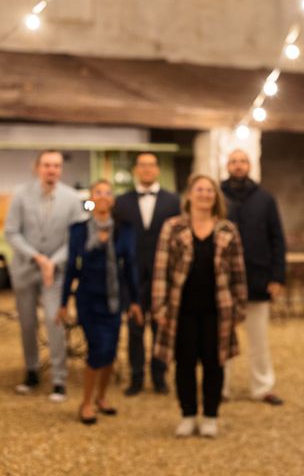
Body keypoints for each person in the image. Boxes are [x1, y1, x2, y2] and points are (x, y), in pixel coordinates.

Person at [152, 174, 247, 437]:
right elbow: (160, 269)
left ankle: (210, 416)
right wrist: (159, 306)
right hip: (181, 309)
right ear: (190, 195)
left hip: (218, 310)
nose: (205, 194)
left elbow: (239, 272)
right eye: (200, 189)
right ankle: (188, 414)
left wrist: (239, 306)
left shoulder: (228, 229)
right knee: (184, 363)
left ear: (215, 197)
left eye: (210, 190)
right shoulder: (172, 227)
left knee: (214, 363)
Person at [58, 180, 143, 424]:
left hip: (114, 301)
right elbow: (72, 268)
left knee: (111, 351)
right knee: (97, 349)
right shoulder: (79, 230)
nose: (103, 196)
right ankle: (86, 403)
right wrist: (63, 302)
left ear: (113, 200)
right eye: (98, 192)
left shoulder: (124, 230)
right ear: (91, 198)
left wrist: (135, 301)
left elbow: (130, 268)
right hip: (89, 299)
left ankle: (101, 397)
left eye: (108, 193)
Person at [4, 150, 85, 402]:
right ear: (37, 167)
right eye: (47, 165)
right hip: (26, 269)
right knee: (27, 322)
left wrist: (53, 261)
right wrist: (37, 258)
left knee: (54, 320)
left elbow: (76, 237)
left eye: (57, 166)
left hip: (56, 272)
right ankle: (31, 371)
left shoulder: (72, 198)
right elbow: (12, 232)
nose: (52, 170)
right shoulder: (20, 195)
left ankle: (59, 379)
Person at [221, 149, 286, 406]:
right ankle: (221, 388)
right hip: (224, 282)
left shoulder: (265, 199)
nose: (238, 165)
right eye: (234, 161)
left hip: (258, 279)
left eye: (242, 161)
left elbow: (277, 239)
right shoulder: (218, 196)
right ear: (228, 166)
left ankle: (262, 387)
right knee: (223, 340)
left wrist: (277, 277)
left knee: (258, 340)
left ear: (249, 166)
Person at [113, 152, 181, 395]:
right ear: (135, 170)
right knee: (134, 328)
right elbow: (116, 240)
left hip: (164, 276)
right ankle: (136, 377)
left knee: (162, 328)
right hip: (132, 278)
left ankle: (160, 376)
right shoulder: (121, 202)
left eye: (151, 165)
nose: (147, 170)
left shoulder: (173, 201)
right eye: (142, 166)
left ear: (158, 169)